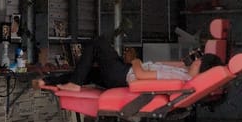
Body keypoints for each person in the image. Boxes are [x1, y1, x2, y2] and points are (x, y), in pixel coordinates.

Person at [34, 36, 222, 91]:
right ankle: (47, 81)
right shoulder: (183, 74)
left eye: (199, 60)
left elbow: (141, 75)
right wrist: (186, 62)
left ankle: (74, 84)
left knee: (98, 43)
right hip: (122, 75)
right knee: (89, 73)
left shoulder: (179, 78)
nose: (196, 61)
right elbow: (166, 64)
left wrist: (134, 59)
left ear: (203, 67)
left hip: (123, 74)